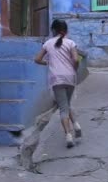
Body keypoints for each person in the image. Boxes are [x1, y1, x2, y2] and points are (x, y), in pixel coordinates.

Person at [34, 19, 82, 148]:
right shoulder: (71, 43)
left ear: (53, 30)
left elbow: (37, 59)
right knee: (67, 103)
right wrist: (74, 69)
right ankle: (76, 125)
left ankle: (68, 136)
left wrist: (48, 63)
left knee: (63, 107)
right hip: (70, 77)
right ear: (66, 31)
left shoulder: (47, 44)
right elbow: (76, 59)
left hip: (56, 79)